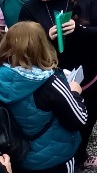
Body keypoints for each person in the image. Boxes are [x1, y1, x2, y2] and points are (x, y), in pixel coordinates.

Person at [19, 0, 97, 171]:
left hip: (87, 78)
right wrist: (45, 39)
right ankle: (67, 161)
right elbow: (23, 51)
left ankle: (81, 155)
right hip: (51, 84)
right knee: (59, 126)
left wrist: (81, 30)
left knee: (87, 120)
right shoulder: (29, 9)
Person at [0, 21, 88, 173]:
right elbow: (79, 119)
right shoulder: (50, 82)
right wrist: (74, 92)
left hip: (15, 155)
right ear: (42, 44)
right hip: (54, 159)